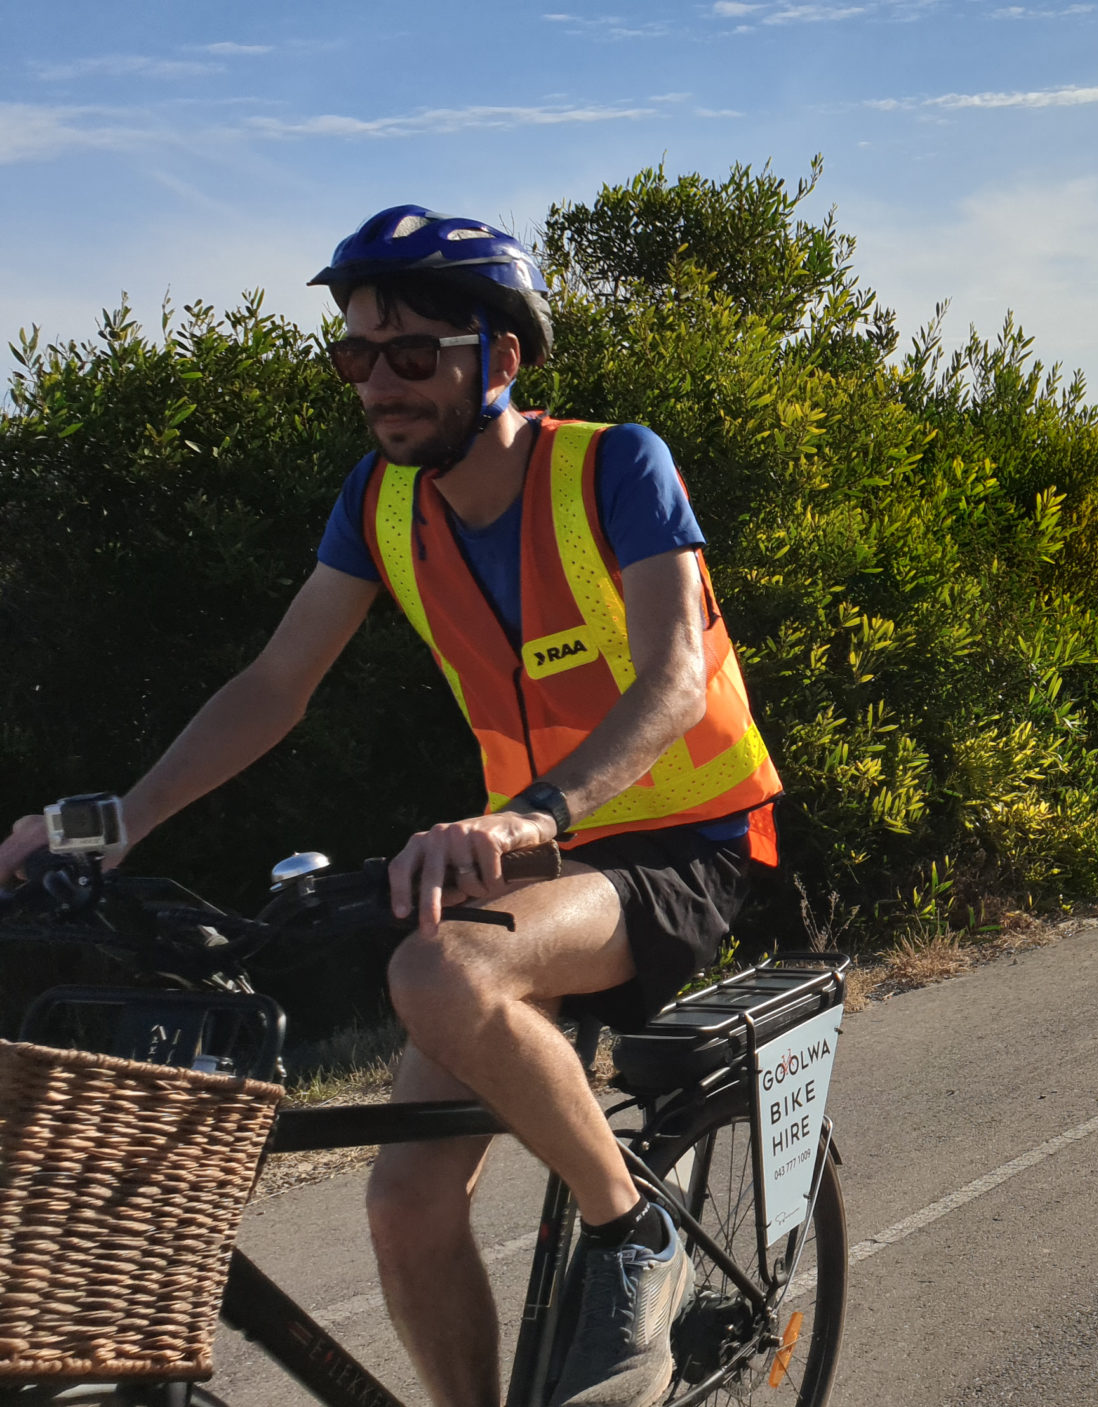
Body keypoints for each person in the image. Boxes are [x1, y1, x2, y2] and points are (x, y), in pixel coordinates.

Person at [0, 205, 783, 1407]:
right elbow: (275, 684)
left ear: (501, 358)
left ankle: (636, 1236)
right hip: (536, 859)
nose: (379, 382)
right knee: (405, 1204)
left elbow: (675, 675)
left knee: (440, 976)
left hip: (686, 842)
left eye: (413, 354)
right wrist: (115, 824)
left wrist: (533, 817)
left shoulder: (611, 463)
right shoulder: (379, 502)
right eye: (356, 356)